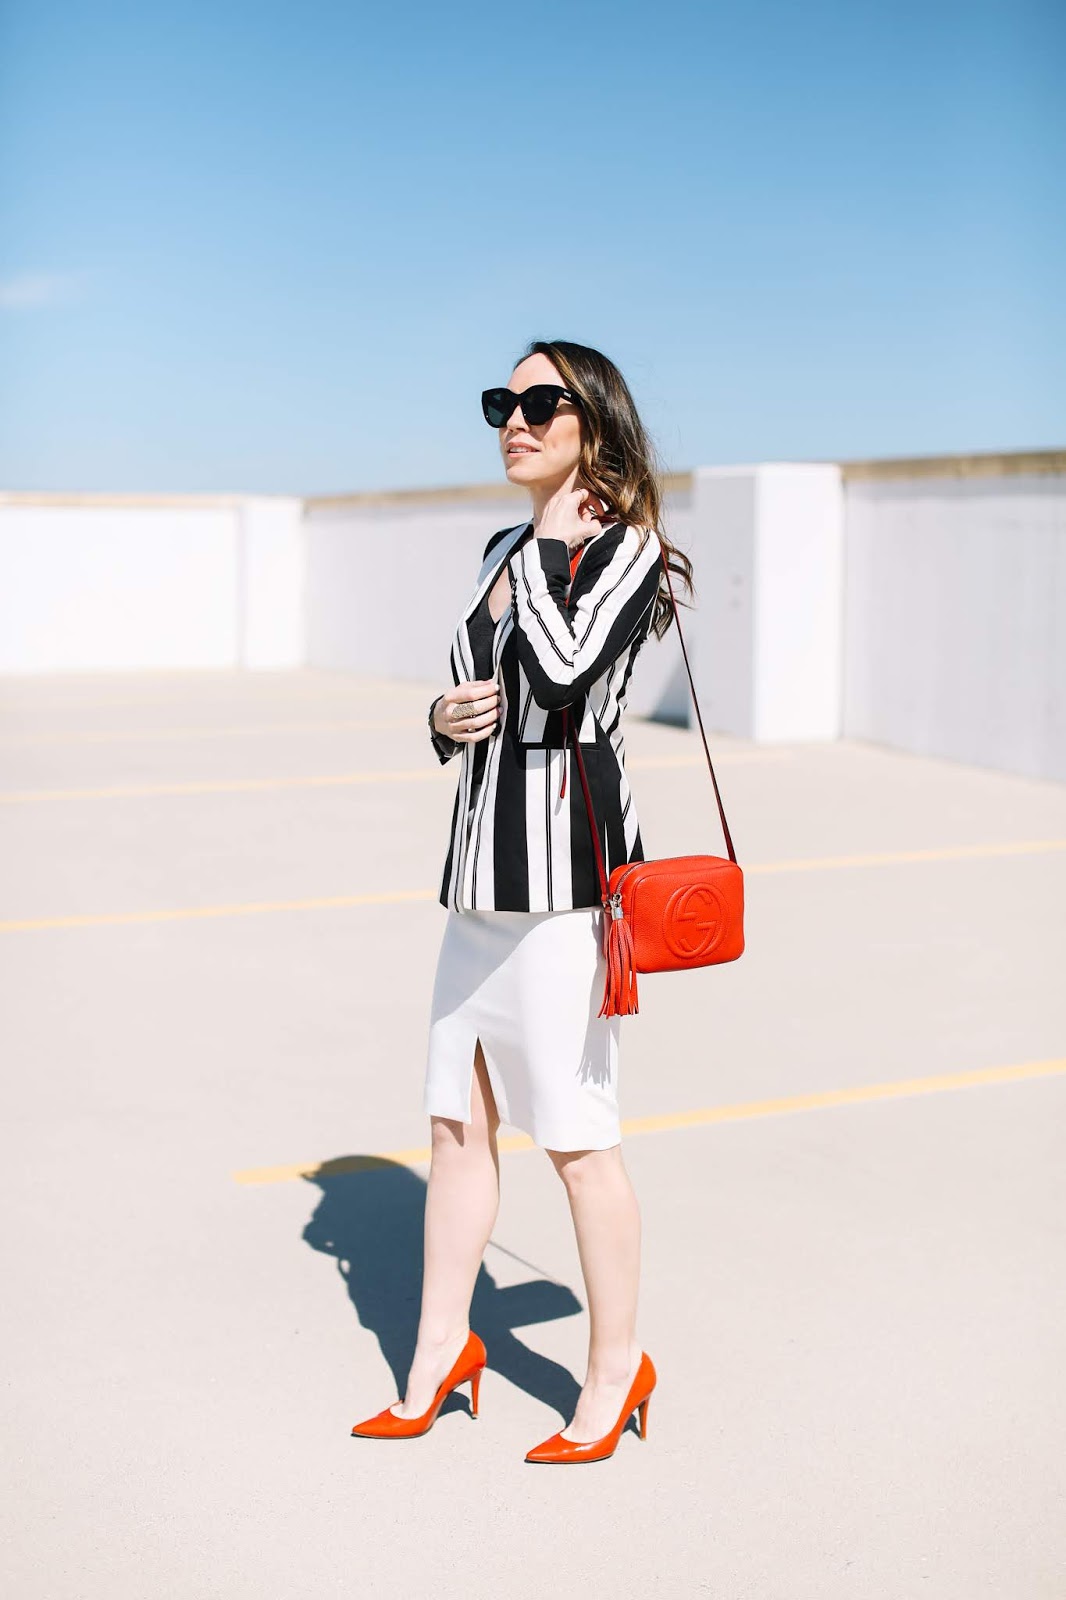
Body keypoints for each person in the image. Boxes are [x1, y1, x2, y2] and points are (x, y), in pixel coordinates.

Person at [350, 338, 694, 1463]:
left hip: (565, 894)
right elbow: (481, 680)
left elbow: (562, 676)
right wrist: (441, 719)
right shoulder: (504, 543)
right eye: (502, 401)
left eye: (540, 402)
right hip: (478, 883)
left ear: (591, 421)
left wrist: (552, 549)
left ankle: (614, 1369)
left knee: (579, 1144)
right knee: (453, 1127)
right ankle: (437, 1353)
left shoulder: (622, 551)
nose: (513, 419)